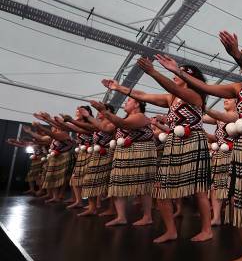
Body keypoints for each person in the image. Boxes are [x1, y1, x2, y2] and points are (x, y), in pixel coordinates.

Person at [155, 34, 242, 261]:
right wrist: (177, 71)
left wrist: (236, 54)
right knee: (238, 198)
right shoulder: (238, 87)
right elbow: (206, 87)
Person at [102, 58, 212, 243]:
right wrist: (120, 88)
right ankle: (171, 231)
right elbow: (144, 96)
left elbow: (174, 88)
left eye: (180, 72)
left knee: (199, 189)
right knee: (160, 188)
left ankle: (207, 230)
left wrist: (154, 72)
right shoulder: (171, 98)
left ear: (189, 76)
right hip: (174, 142)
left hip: (193, 140)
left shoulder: (195, 96)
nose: (175, 74)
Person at [92, 98, 157, 227]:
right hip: (123, 153)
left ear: (137, 104)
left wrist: (103, 110)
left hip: (140, 152)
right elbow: (104, 127)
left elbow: (124, 124)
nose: (125, 103)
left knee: (143, 186)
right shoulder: (124, 118)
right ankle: (121, 217)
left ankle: (147, 216)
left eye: (128, 101)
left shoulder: (140, 117)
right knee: (117, 184)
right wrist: (89, 116)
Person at [74, 104, 117, 217]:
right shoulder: (97, 123)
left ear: (108, 112)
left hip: (107, 153)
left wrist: (88, 117)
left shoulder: (113, 123)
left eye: (101, 110)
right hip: (96, 153)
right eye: (97, 110)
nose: (98, 112)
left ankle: (111, 208)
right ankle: (92, 207)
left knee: (108, 183)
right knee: (89, 180)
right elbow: (80, 128)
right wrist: (69, 122)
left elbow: (110, 134)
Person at [203, 99, 239, 225]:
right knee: (215, 187)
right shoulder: (219, 119)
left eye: (229, 99)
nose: (225, 100)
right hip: (219, 155)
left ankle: (236, 217)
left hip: (233, 155)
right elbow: (205, 119)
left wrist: (203, 107)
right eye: (225, 98)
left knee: (233, 188)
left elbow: (215, 116)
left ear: (236, 103)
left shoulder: (237, 115)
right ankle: (217, 217)